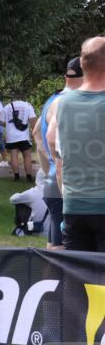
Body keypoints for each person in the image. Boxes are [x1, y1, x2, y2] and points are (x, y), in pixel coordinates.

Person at [47, 36, 105, 253]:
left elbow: (56, 155)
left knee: (78, 279)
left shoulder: (61, 104)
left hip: (74, 207)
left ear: (82, 64)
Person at [34, 57, 83, 249]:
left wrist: (48, 169)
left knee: (53, 249)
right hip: (65, 186)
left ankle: (52, 280)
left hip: (53, 182)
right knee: (63, 253)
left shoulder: (53, 99)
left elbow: (37, 134)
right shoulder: (67, 102)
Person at [0, 93, 38, 182]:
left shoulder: (7, 107)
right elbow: (33, 120)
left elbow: (1, 122)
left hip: (11, 136)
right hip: (24, 136)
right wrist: (34, 132)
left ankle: (16, 176)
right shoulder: (27, 105)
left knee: (14, 155)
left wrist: (8, 126)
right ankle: (29, 176)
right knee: (27, 156)